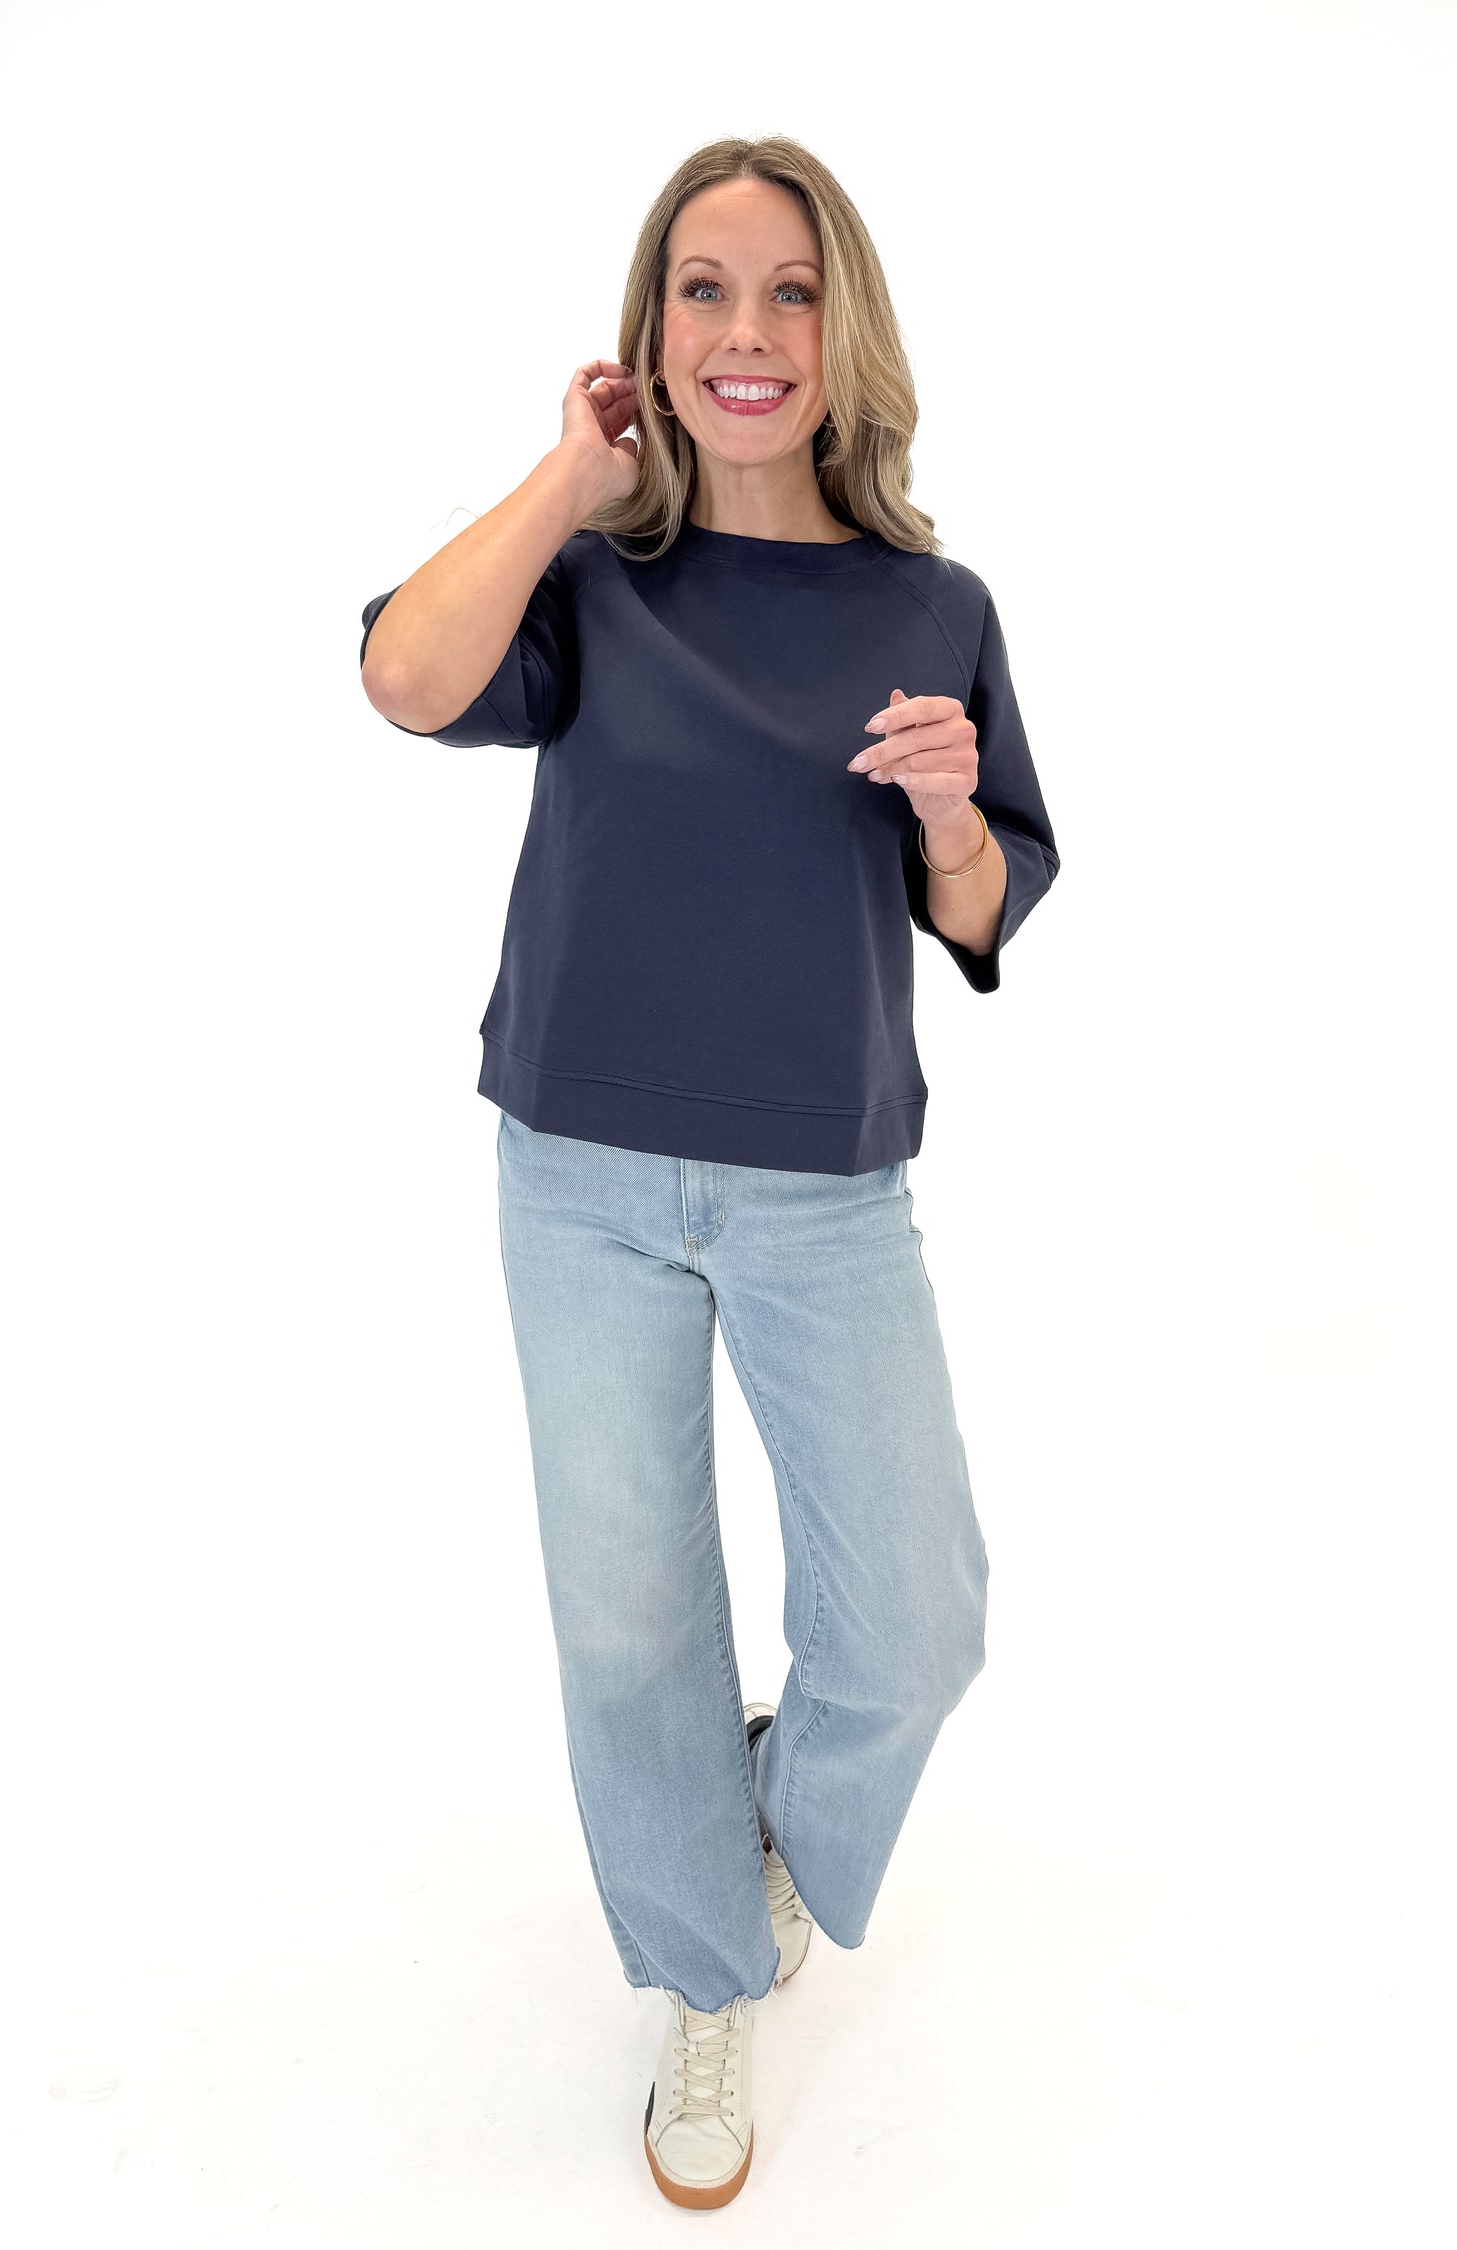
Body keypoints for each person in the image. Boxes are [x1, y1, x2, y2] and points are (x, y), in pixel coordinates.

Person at [358, 135, 1060, 2210]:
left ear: (843, 331)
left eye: (782, 291)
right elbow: (406, 674)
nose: (742, 333)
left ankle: (746, 1825)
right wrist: (572, 483)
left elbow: (987, 901)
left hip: (823, 1186)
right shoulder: (592, 578)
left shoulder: (935, 605)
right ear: (650, 333)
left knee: (918, 1619)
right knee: (630, 1620)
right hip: (575, 1169)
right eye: (700, 291)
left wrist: (946, 812)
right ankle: (701, 1971)